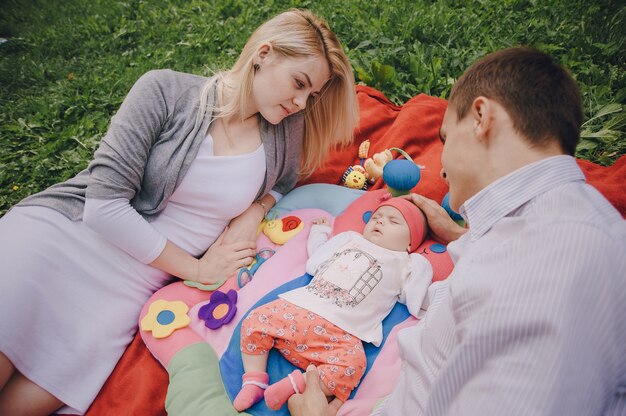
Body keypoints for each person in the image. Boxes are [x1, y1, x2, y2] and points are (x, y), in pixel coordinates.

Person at [0, 9, 360, 415]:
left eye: (311, 95)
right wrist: (197, 269)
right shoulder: (163, 91)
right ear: (264, 54)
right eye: (299, 84)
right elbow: (102, 208)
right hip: (64, 239)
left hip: (129, 285)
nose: (300, 103)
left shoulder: (284, 128)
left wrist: (254, 211)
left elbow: (284, 181)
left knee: (26, 402)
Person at [288, 47, 626, 415]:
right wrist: (459, 234)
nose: (443, 167)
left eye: (446, 139)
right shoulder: (542, 224)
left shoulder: (552, 272)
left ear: (481, 117)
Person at [233, 196, 433, 412]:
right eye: (376, 217)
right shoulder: (350, 239)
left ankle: (295, 385)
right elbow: (317, 260)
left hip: (342, 334)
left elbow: (418, 300)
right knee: (255, 320)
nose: (380, 222)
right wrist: (320, 233)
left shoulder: (407, 264)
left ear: (411, 243)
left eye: (394, 221)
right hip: (301, 310)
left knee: (353, 366)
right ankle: (254, 380)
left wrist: (426, 270)